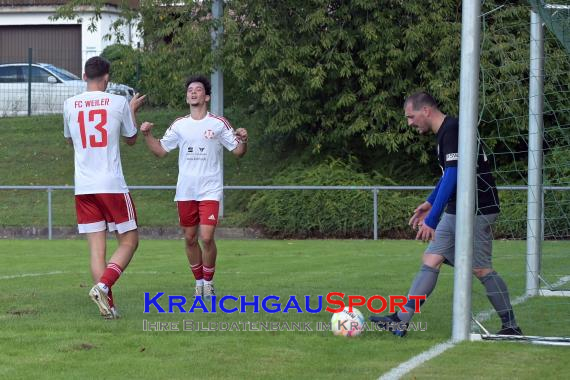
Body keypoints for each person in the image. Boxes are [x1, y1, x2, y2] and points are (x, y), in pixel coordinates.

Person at [370, 92, 522, 337]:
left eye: (411, 116)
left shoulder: (452, 130)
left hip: (477, 209)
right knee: (431, 259)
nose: (410, 123)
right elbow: (447, 175)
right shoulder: (445, 132)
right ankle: (401, 320)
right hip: (457, 209)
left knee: (481, 269)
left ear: (426, 111)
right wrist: (430, 203)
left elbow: (454, 175)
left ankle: (511, 326)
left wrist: (431, 220)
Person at [140, 75, 248, 300]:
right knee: (190, 238)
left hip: (210, 189)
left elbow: (237, 151)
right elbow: (160, 151)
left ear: (206, 96)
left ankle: (209, 283)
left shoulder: (218, 123)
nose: (193, 92)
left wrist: (243, 140)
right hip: (186, 191)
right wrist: (147, 135)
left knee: (206, 237)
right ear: (187, 96)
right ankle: (198, 282)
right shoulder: (180, 124)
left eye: (198, 89)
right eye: (190, 90)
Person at [63, 56, 146, 319]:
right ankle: (103, 286)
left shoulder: (69, 104)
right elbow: (131, 139)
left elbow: (70, 140)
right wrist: (132, 109)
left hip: (84, 186)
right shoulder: (118, 102)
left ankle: (108, 307)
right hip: (110, 183)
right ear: (107, 77)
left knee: (97, 249)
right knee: (130, 241)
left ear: (84, 76)